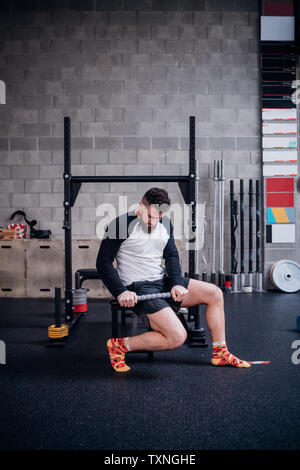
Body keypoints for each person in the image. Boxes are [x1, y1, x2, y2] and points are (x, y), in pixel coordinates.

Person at [96, 187, 250, 372]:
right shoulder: (120, 226)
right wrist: (121, 292)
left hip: (162, 281)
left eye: (159, 217)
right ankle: (119, 346)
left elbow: (171, 256)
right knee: (177, 337)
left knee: (215, 293)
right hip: (139, 288)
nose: (155, 221)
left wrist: (176, 282)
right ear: (140, 207)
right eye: (151, 216)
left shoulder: (165, 224)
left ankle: (221, 353)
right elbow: (103, 263)